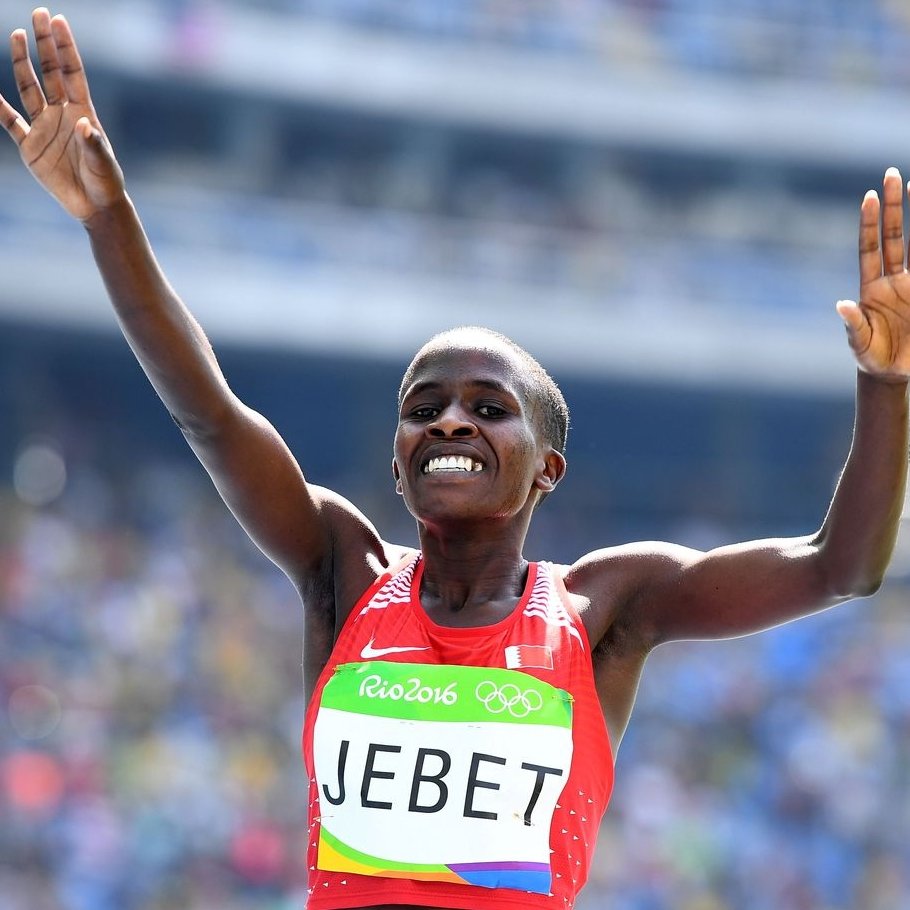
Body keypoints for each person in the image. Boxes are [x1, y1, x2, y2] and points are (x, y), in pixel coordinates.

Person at [2, 8, 908, 910]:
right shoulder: (342, 569)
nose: (449, 425)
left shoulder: (607, 608)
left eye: (489, 409)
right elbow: (208, 414)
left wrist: (887, 382)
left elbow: (841, 568)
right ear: (396, 467)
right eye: (423, 411)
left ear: (548, 469)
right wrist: (108, 218)